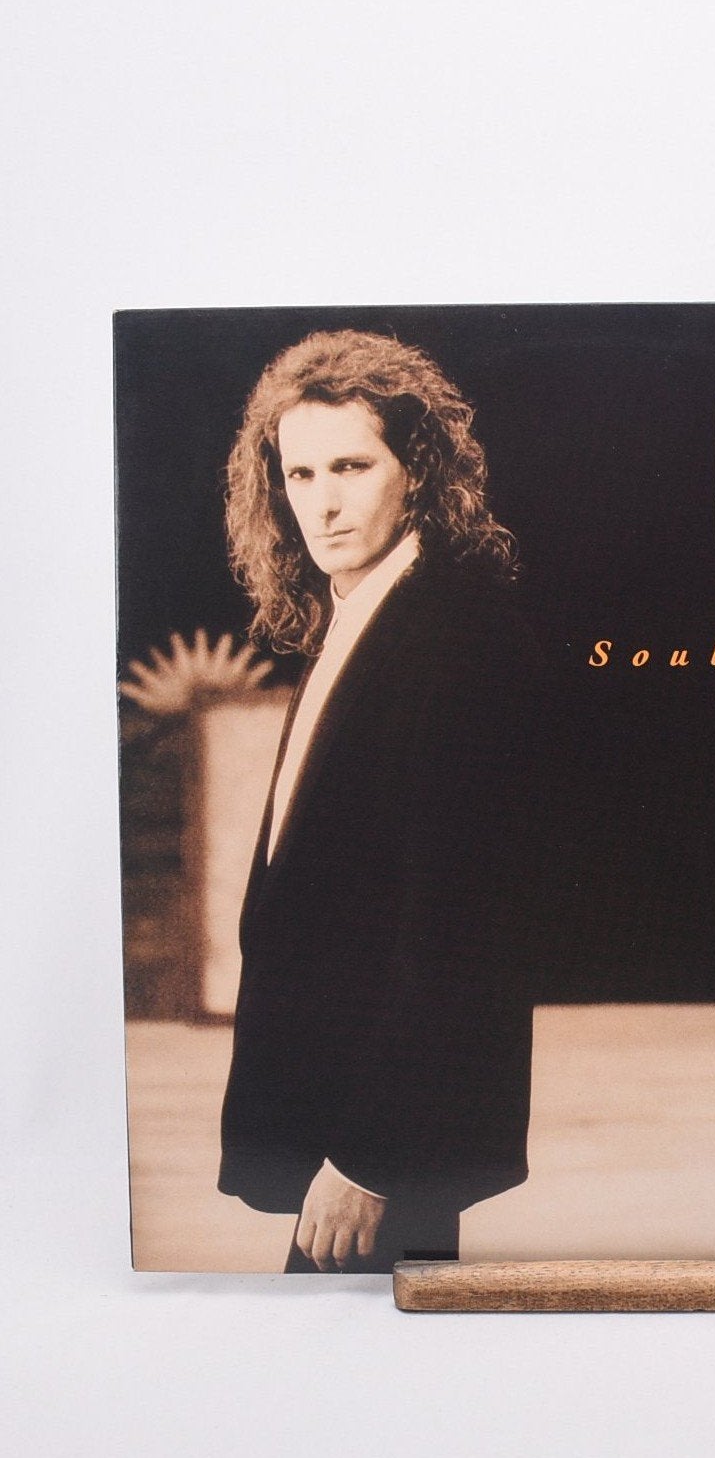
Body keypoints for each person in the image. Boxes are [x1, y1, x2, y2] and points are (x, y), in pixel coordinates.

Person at [217, 330, 542, 1273]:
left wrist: (372, 1157)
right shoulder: (364, 619)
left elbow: (463, 929)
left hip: (376, 1148)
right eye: (300, 472)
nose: (323, 501)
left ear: (418, 472)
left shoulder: (457, 639)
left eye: (352, 467)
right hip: (341, 1122)